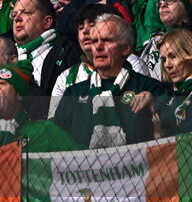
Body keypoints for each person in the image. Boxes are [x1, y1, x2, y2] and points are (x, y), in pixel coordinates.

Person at [53, 14, 168, 148]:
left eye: (107, 40)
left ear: (125, 48)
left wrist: (153, 106)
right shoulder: (73, 92)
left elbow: (167, 137)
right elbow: (57, 142)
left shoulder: (150, 88)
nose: (98, 47)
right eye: (94, 41)